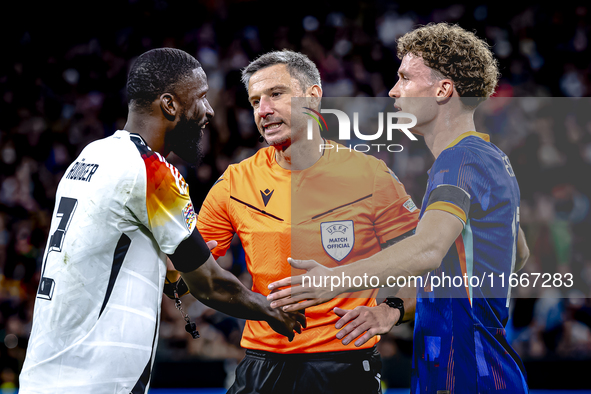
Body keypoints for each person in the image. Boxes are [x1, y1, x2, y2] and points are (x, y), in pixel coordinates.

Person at [18, 48, 305, 394]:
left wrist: (168, 271)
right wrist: (273, 311)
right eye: (200, 98)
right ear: (170, 105)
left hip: (43, 377)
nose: (209, 110)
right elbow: (210, 284)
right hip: (93, 384)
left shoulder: (91, 156)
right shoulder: (151, 170)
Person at [268, 23, 531, 393]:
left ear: (443, 90)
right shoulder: (490, 158)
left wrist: (336, 278)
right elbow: (516, 254)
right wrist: (391, 309)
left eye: (406, 78)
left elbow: (428, 248)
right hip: (482, 367)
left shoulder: (458, 162)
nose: (393, 90)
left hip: (466, 373)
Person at [195, 50, 419, 394]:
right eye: (255, 101)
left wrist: (391, 311)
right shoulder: (235, 182)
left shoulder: (369, 176)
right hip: (261, 364)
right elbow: (189, 268)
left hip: (344, 367)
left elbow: (430, 262)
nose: (263, 110)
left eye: (276, 94)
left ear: (313, 97)